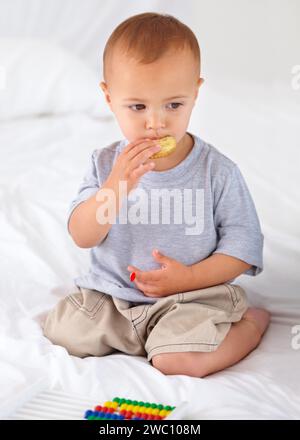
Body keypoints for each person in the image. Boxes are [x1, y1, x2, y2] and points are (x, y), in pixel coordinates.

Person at [43, 12, 270, 377]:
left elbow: (244, 247)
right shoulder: (104, 165)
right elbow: (82, 235)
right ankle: (143, 336)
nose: (156, 122)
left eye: (174, 105)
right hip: (115, 297)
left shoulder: (217, 171)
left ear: (195, 93)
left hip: (191, 298)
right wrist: (115, 188)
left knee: (176, 362)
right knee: (62, 331)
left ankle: (251, 326)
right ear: (109, 97)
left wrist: (190, 278)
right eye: (137, 107)